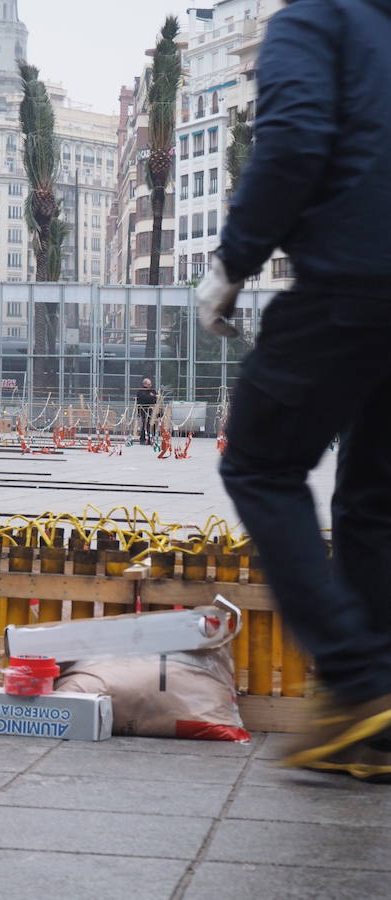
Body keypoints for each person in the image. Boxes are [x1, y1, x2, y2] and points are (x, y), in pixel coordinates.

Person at [196, 0, 391, 781]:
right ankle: (374, 727)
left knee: (258, 465)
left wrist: (233, 261)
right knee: (375, 499)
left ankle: (357, 681)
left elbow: (293, 139)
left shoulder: (317, 18)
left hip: (353, 280)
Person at [136, 378, 157, 444]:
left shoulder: (152, 391)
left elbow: (155, 398)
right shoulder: (141, 391)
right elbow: (144, 398)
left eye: (150, 384)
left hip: (151, 410)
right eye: (148, 384)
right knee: (144, 423)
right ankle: (143, 438)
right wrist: (151, 397)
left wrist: (152, 397)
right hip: (143, 410)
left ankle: (151, 437)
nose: (150, 385)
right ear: (144, 384)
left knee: (151, 423)